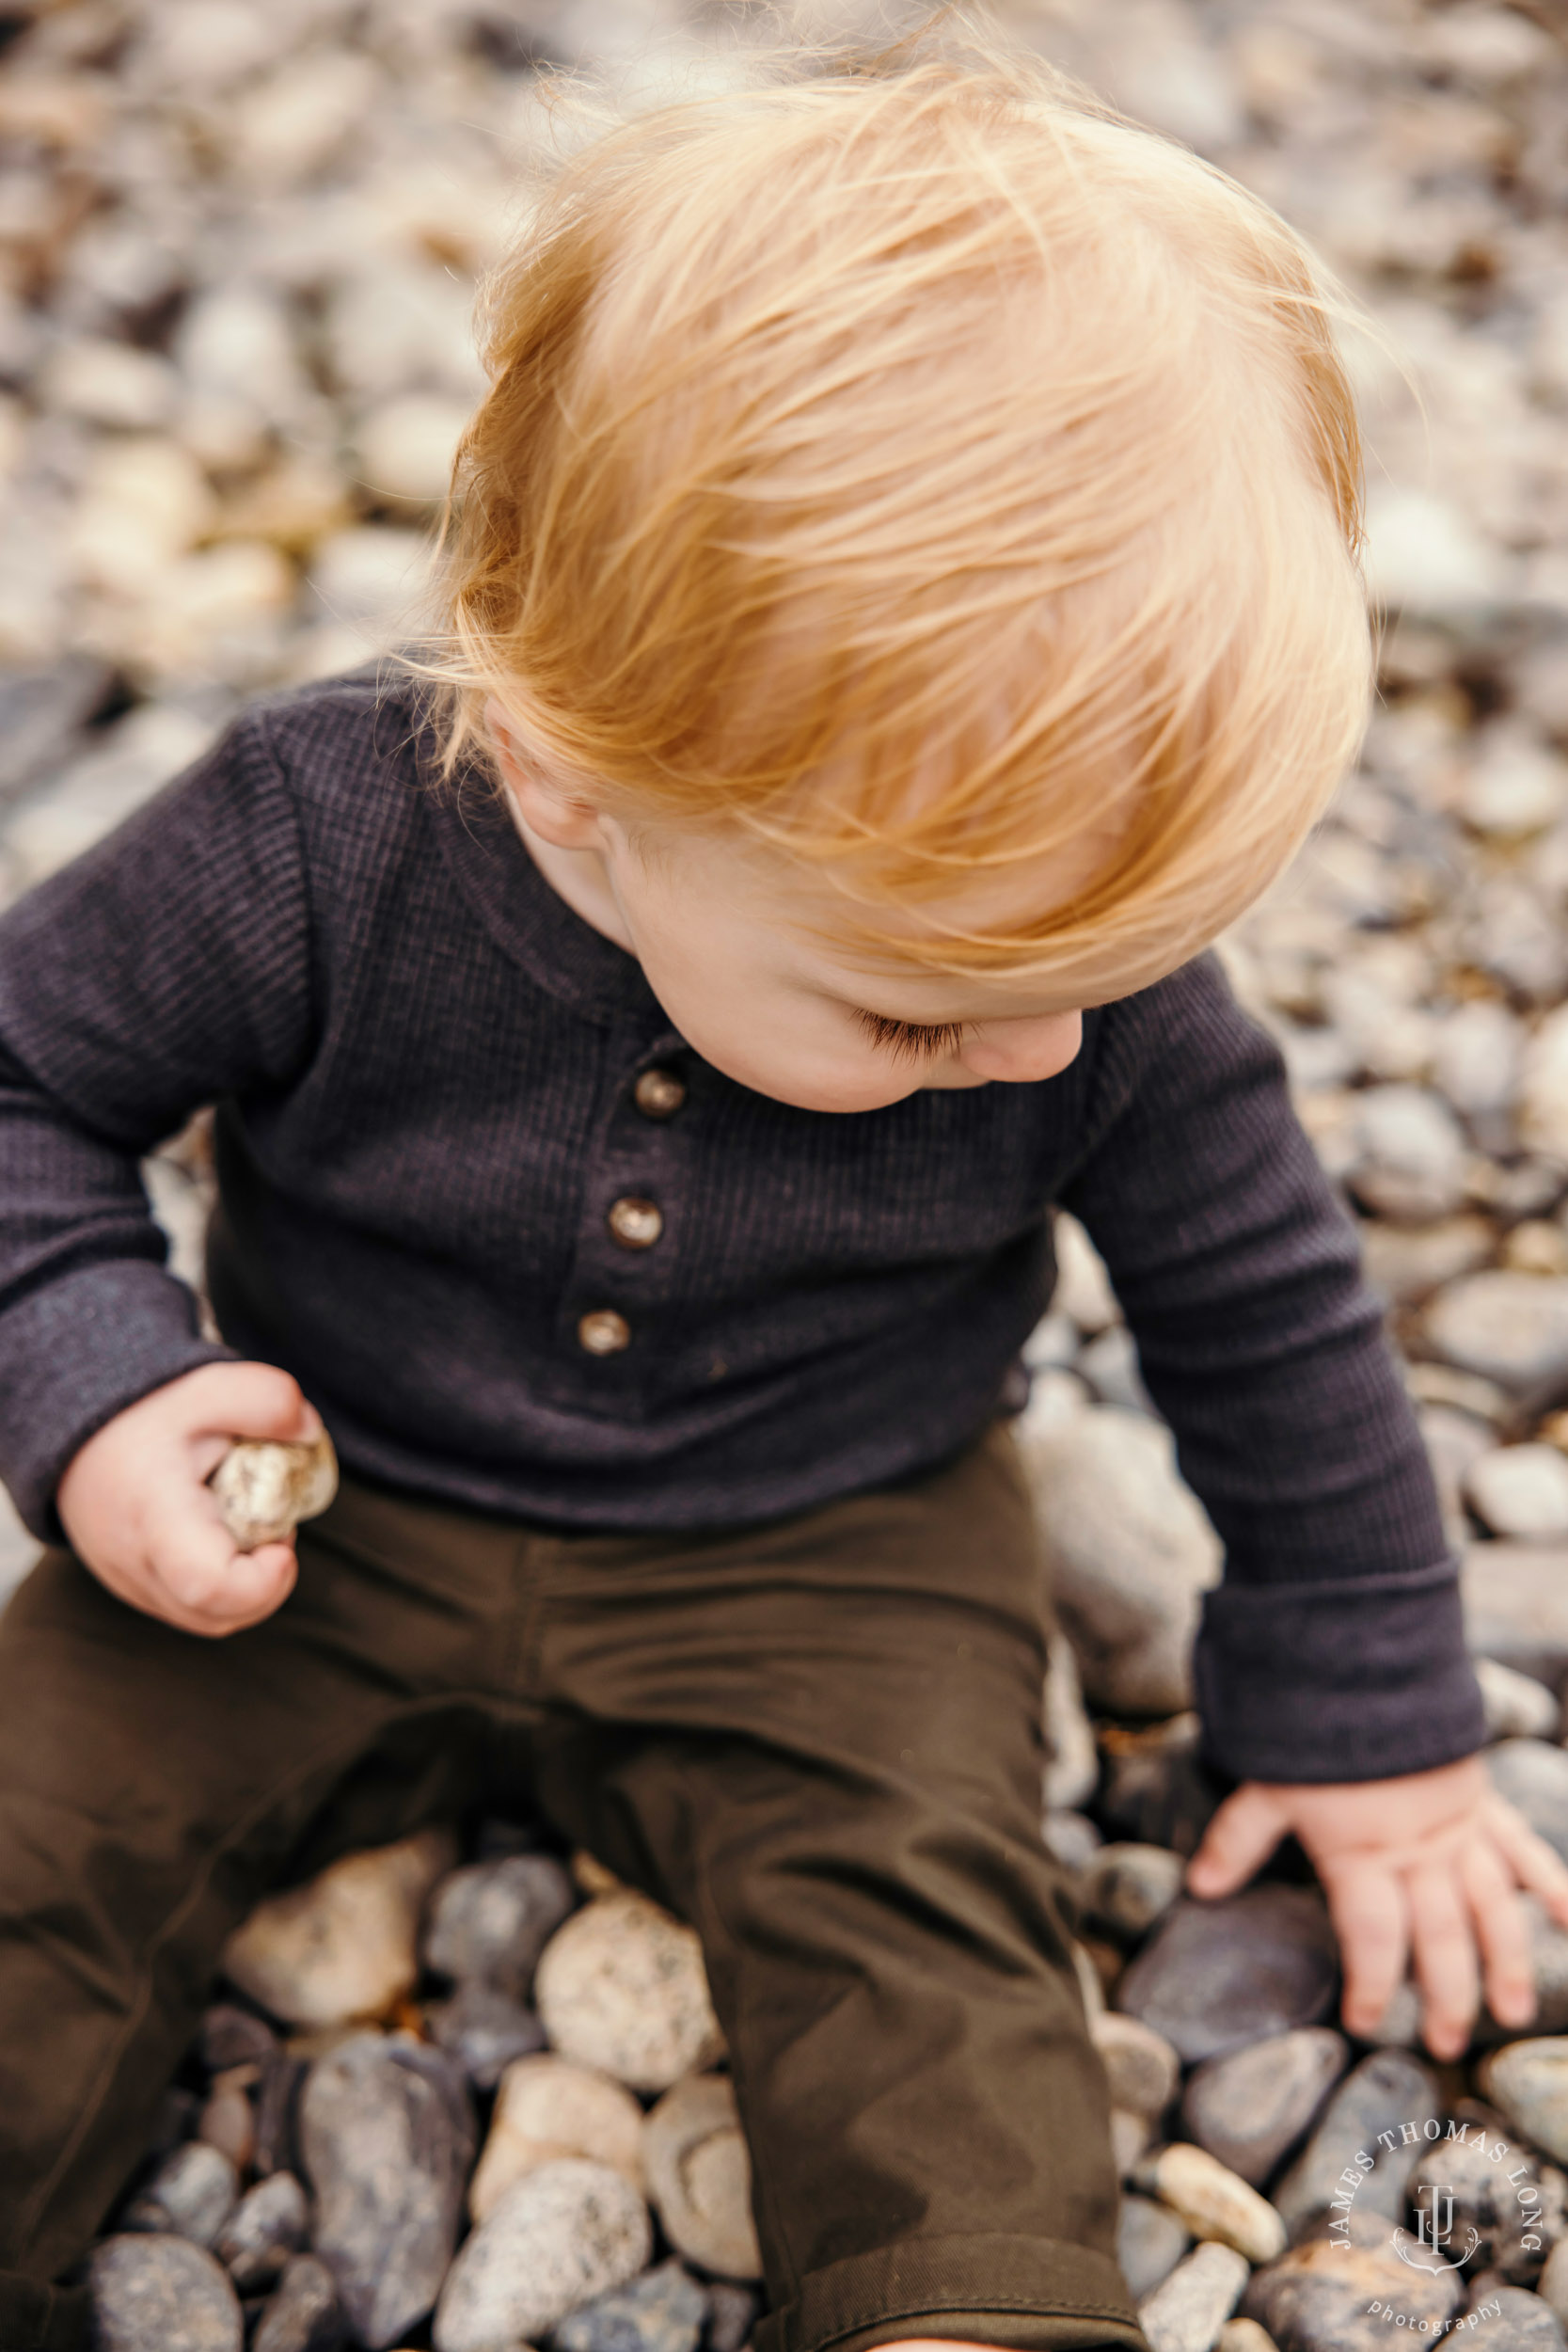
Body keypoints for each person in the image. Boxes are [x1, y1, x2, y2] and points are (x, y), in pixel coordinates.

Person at [1, 27, 1564, 2352]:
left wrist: (1373, 1703)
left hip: (833, 1534)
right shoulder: (320, 841)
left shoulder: (1071, 970)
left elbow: (1270, 1303)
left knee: (930, 1936)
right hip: (316, 1487)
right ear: (570, 770)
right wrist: (106, 1377)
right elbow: (23, 1089)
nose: (1045, 1055)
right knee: (37, 1836)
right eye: (927, 1011)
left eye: (1098, 980)